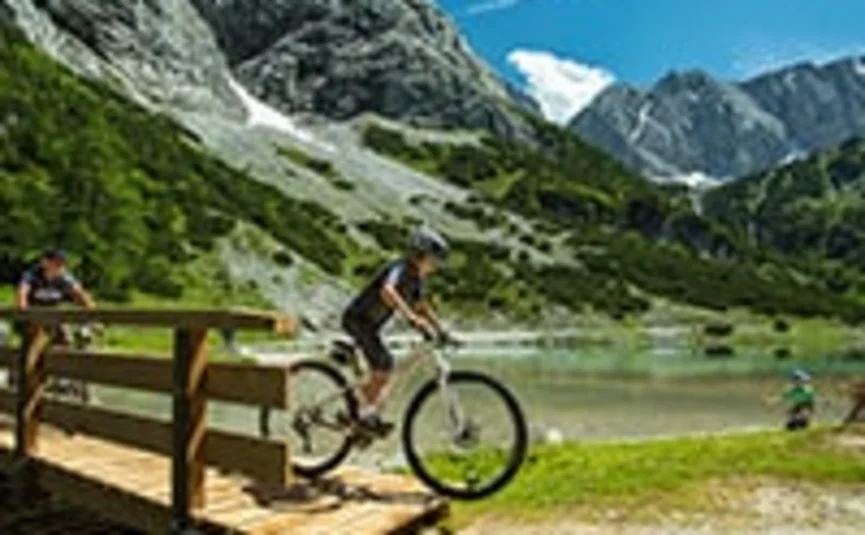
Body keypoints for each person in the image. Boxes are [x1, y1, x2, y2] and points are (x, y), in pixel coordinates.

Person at [341, 227, 451, 436]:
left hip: (371, 326)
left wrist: (440, 328)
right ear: (419, 254)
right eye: (433, 260)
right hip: (358, 320)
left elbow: (422, 305)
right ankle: (364, 416)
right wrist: (410, 317)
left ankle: (363, 415)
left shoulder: (416, 279)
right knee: (385, 365)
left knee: (384, 370)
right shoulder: (399, 268)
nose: (435, 266)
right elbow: (387, 291)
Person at [15, 249, 96, 344]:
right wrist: (25, 312)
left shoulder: (64, 277)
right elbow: (22, 294)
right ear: (45, 262)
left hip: (54, 317)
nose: (60, 267)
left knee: (65, 336)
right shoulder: (31, 275)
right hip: (35, 317)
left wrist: (92, 312)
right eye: (57, 263)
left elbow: (81, 294)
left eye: (62, 264)